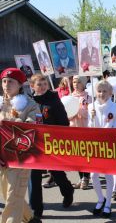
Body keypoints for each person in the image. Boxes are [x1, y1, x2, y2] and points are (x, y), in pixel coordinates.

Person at [29, 74, 74, 218]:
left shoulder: (54, 99)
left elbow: (63, 121)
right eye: (39, 84)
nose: (42, 87)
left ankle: (67, 191)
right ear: (32, 86)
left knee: (56, 172)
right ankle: (36, 209)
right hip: (34, 143)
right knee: (33, 176)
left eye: (44, 83)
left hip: (52, 142)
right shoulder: (29, 100)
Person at [0, 68, 42, 223]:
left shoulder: (30, 105)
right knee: (8, 194)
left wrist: (17, 123)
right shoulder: (0, 103)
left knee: (12, 198)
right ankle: (30, 218)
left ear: (19, 85)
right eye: (4, 81)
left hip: (20, 158)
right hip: (2, 158)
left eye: (11, 81)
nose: (6, 84)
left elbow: (36, 127)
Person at [88, 80, 116, 218]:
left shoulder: (115, 106)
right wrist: (92, 117)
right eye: (99, 91)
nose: (101, 94)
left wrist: (106, 134)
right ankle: (100, 199)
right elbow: (89, 128)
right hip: (94, 146)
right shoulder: (91, 106)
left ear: (110, 92)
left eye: (105, 91)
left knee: (108, 175)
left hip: (108, 145)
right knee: (93, 175)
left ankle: (108, 203)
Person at [69, 76, 91, 190]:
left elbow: (91, 114)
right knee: (77, 155)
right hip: (73, 129)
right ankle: (81, 177)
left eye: (78, 82)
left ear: (83, 83)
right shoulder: (70, 97)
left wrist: (78, 110)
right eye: (73, 81)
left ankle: (86, 178)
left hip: (85, 129)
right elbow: (66, 114)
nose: (75, 84)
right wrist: (70, 113)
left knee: (85, 154)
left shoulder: (88, 96)